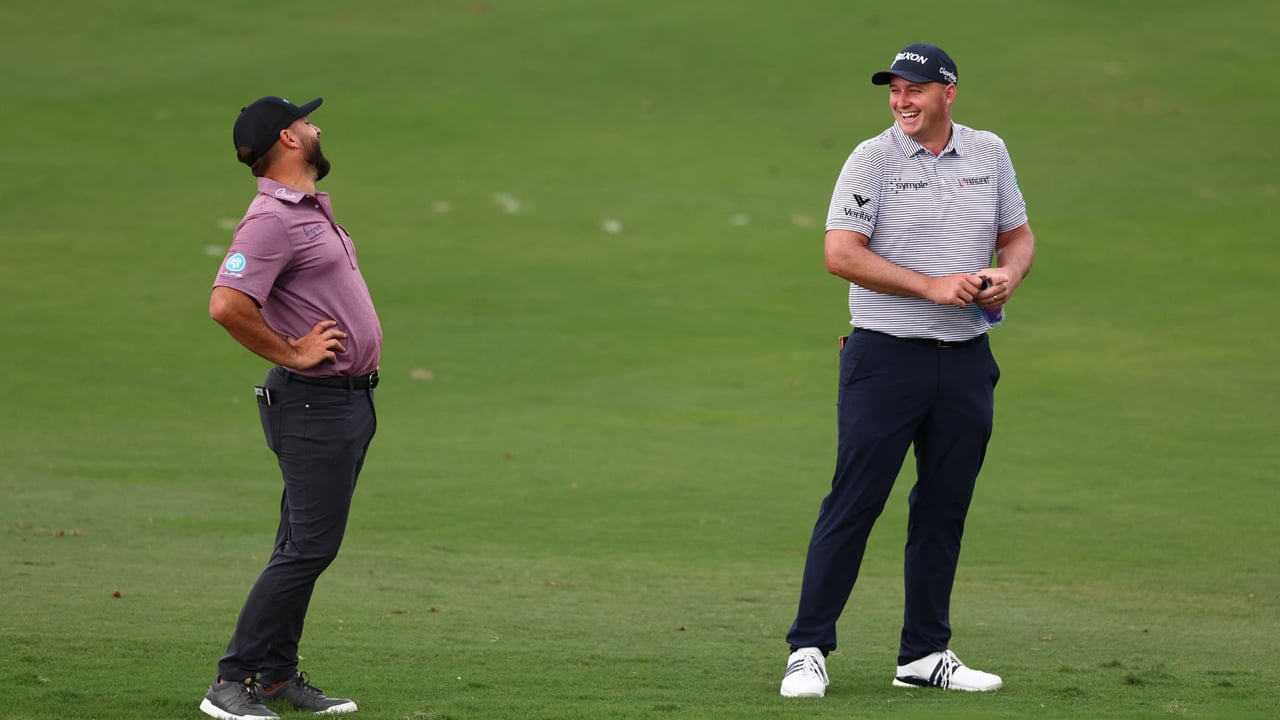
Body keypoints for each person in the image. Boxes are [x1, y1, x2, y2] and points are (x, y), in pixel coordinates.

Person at [779, 43, 1035, 697]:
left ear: (948, 93)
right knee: (854, 502)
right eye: (894, 90)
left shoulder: (990, 153)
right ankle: (809, 649)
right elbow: (841, 253)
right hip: (885, 357)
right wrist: (930, 287)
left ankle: (924, 654)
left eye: (915, 89)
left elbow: (1018, 234)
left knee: (944, 508)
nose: (902, 101)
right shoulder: (873, 158)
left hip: (967, 360)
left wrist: (1008, 274)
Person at [200, 96, 382, 720]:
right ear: (289, 137)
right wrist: (294, 352)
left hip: (341, 404)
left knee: (299, 544)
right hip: (313, 405)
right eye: (308, 121)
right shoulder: (270, 221)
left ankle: (275, 677)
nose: (318, 125)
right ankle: (232, 680)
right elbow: (227, 304)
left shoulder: (304, 211)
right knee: (309, 548)